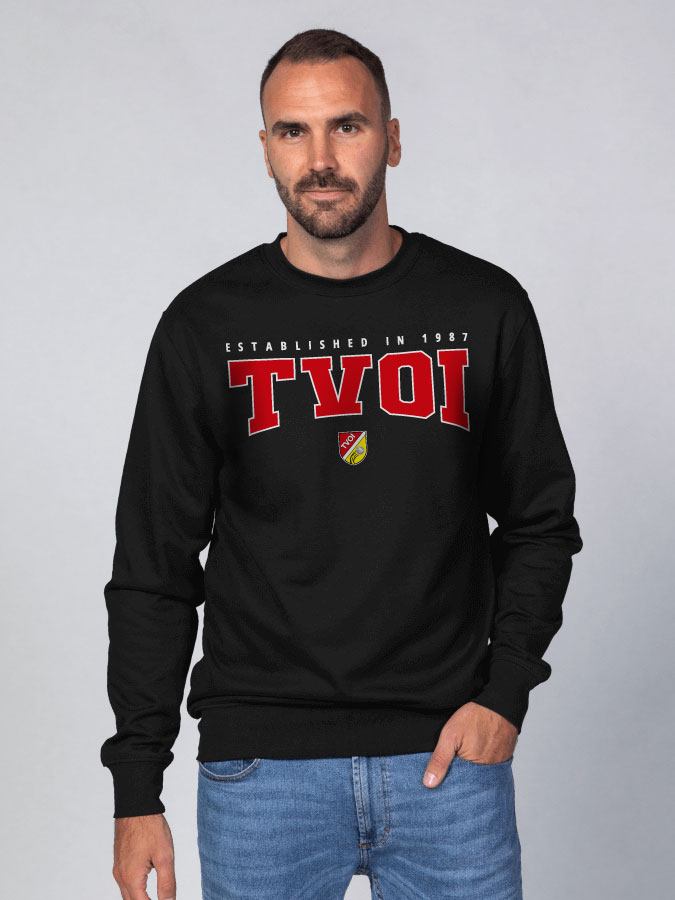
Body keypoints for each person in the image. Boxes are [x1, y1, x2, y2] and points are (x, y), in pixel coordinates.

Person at [101, 27, 583, 900]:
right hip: (261, 771)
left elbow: (538, 521)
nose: (319, 159)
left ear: (391, 138)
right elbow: (153, 567)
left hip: (448, 761)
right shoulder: (205, 325)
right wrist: (137, 786)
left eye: (347, 127)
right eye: (293, 131)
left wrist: (504, 693)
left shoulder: (483, 307)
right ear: (265, 148)